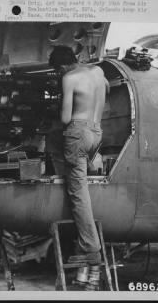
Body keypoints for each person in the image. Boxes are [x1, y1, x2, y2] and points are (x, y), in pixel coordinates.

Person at [49, 46, 109, 264]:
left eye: (57, 71)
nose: (58, 75)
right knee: (93, 179)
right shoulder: (98, 73)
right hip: (96, 132)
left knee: (78, 191)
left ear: (63, 66)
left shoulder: (70, 77)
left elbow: (66, 118)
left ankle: (89, 246)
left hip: (78, 131)